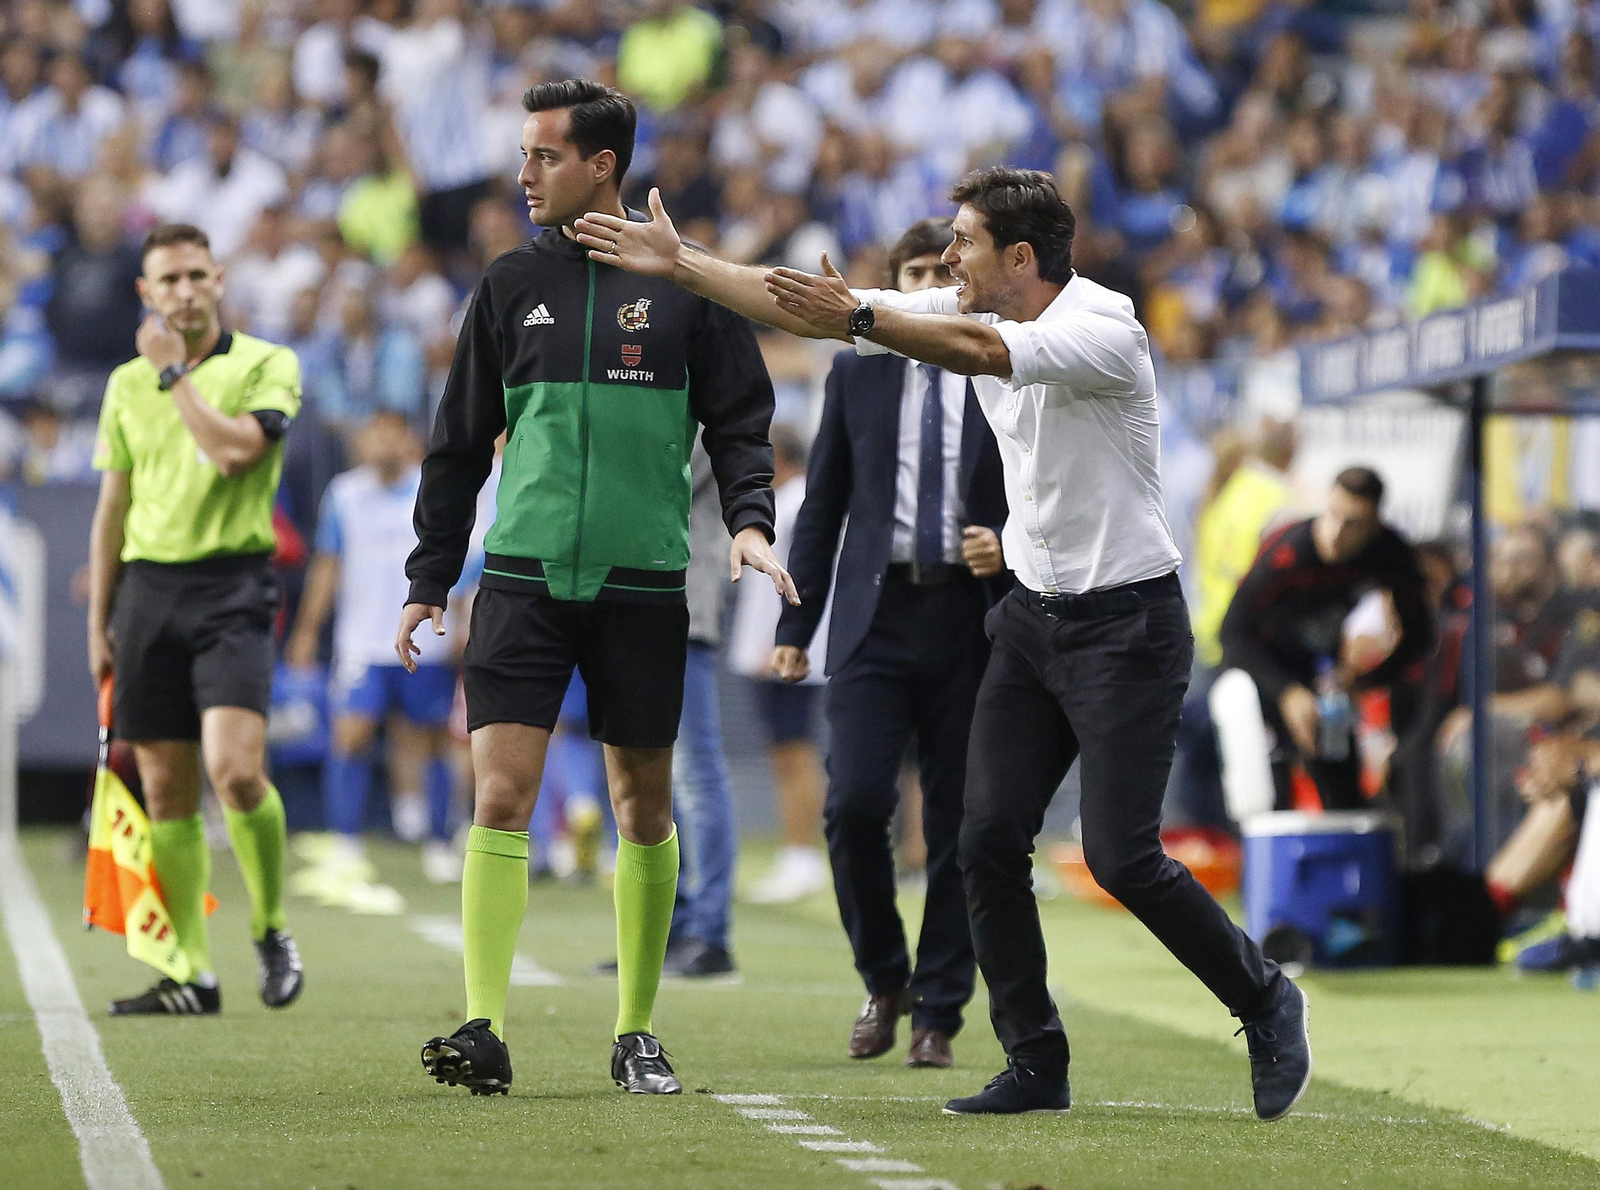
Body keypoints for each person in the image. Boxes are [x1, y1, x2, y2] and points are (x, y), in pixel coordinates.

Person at [576, 166, 1310, 1120]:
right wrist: (683, 266)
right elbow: (802, 306)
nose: (947, 257)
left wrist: (864, 320)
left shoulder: (1105, 327)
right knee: (983, 841)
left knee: (1123, 857)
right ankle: (1035, 1061)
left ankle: (1263, 997)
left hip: (1128, 625)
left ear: (1018, 257)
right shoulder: (969, 305)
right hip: (1031, 622)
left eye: (962, 243)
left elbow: (966, 346)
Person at [395, 80, 793, 1098]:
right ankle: (482, 1021)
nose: (523, 174)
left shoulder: (682, 283)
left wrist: (750, 522)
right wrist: (430, 575)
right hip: (522, 578)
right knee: (499, 794)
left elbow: (742, 420)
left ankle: (636, 1029)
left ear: (601, 166)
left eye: (544, 155)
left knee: (641, 807)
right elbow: (455, 444)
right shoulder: (505, 282)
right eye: (524, 154)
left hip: (644, 581)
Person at [770, 217, 1008, 1070]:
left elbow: (1045, 485)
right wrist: (795, 626)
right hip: (875, 617)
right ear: (886, 286)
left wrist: (1009, 548)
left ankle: (940, 1009)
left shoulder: (998, 369)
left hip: (973, 621)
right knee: (855, 804)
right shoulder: (855, 373)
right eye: (910, 274)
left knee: (959, 826)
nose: (924, 289)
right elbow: (824, 504)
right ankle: (884, 977)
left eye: (938, 274)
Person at [87, 222, 304, 1016]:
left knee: (237, 770)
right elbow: (114, 504)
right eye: (166, 280)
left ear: (219, 279)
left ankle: (273, 927)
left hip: (233, 586)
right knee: (167, 788)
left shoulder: (266, 364)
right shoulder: (122, 385)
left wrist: (175, 375)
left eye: (193, 276)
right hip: (147, 593)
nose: (182, 290)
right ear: (146, 293)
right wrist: (98, 623)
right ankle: (190, 974)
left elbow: (236, 453)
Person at [286, 411, 459, 898]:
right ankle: (345, 840)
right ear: (362, 440)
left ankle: (439, 841)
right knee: (350, 735)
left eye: (391, 432)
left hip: (427, 639)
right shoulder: (344, 494)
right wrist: (306, 630)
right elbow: (328, 564)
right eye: (373, 431)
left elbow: (459, 557)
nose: (382, 441)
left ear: (407, 439)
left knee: (430, 742)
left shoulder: (433, 489)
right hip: (361, 641)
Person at [1219, 467, 1433, 812]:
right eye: (1332, 515)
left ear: (1374, 524)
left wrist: (1366, 682)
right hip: (1262, 674)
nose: (1336, 533)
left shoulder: (1389, 553)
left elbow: (1419, 635)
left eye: (1353, 524)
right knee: (1266, 794)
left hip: (1324, 680)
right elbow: (1234, 633)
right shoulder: (1288, 552)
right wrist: (1287, 693)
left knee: (1343, 786)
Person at [729, 424, 831, 907]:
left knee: (796, 751)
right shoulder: (784, 502)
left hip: (787, 652)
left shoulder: (795, 503)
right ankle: (798, 854)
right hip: (772, 650)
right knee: (786, 751)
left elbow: (799, 582)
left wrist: (783, 644)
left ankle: (802, 855)